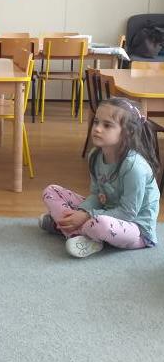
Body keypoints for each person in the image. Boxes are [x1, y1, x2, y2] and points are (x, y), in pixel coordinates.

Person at [40, 98, 160, 258]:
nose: (97, 128)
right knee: (51, 191)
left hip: (136, 228)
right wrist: (82, 211)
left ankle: (65, 227)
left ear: (127, 132)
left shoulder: (134, 167)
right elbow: (97, 195)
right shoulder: (95, 156)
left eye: (107, 125)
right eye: (96, 122)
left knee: (100, 223)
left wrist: (87, 215)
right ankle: (75, 232)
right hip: (106, 210)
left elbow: (128, 213)